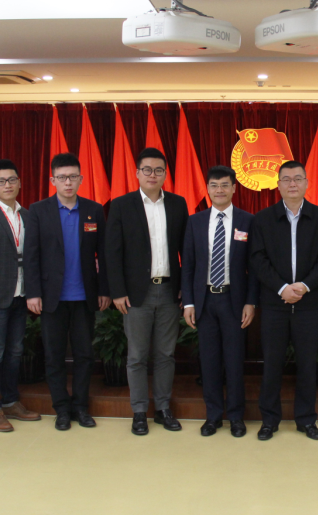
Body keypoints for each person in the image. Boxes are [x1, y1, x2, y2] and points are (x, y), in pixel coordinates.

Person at [249, 160, 318, 441]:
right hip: (275, 304)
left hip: (309, 304)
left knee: (308, 364)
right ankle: (269, 420)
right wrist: (282, 288)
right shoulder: (263, 219)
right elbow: (257, 260)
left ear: (307, 183)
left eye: (298, 178)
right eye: (286, 179)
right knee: (272, 364)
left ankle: (306, 419)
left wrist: (305, 286)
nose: (292, 184)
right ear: (278, 185)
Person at [25, 153, 111, 431]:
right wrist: (32, 292)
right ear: (52, 180)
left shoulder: (93, 210)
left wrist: (104, 289)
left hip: (85, 296)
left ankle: (81, 407)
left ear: (81, 179)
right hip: (52, 297)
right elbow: (31, 255)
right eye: (62, 177)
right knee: (54, 356)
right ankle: (61, 409)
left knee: (85, 355)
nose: (68, 182)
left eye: (73, 177)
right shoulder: (38, 210)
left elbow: (104, 254)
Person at [107, 148, 189, 435]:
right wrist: (117, 291)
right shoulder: (121, 205)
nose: (152, 175)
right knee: (137, 355)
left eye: (158, 170)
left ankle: (163, 409)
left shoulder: (178, 204)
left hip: (168, 291)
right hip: (135, 293)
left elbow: (186, 250)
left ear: (165, 174)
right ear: (137, 173)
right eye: (147, 169)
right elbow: (112, 252)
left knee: (166, 354)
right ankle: (139, 411)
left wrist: (186, 288)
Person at [181, 166, 259, 438]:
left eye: (225, 185)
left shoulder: (248, 221)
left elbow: (254, 267)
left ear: (234, 188)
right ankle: (213, 416)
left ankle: (236, 417)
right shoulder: (195, 221)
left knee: (235, 362)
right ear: (208, 189)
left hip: (234, 301)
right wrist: (188, 303)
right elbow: (188, 265)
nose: (220, 190)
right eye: (214, 185)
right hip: (204, 301)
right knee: (210, 362)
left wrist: (251, 302)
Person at [0, 159, 42, 432]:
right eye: (1, 181)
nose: (7, 185)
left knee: (15, 352)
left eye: (12, 180)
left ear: (19, 183)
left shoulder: (28, 216)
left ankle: (11, 401)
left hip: (21, 296)